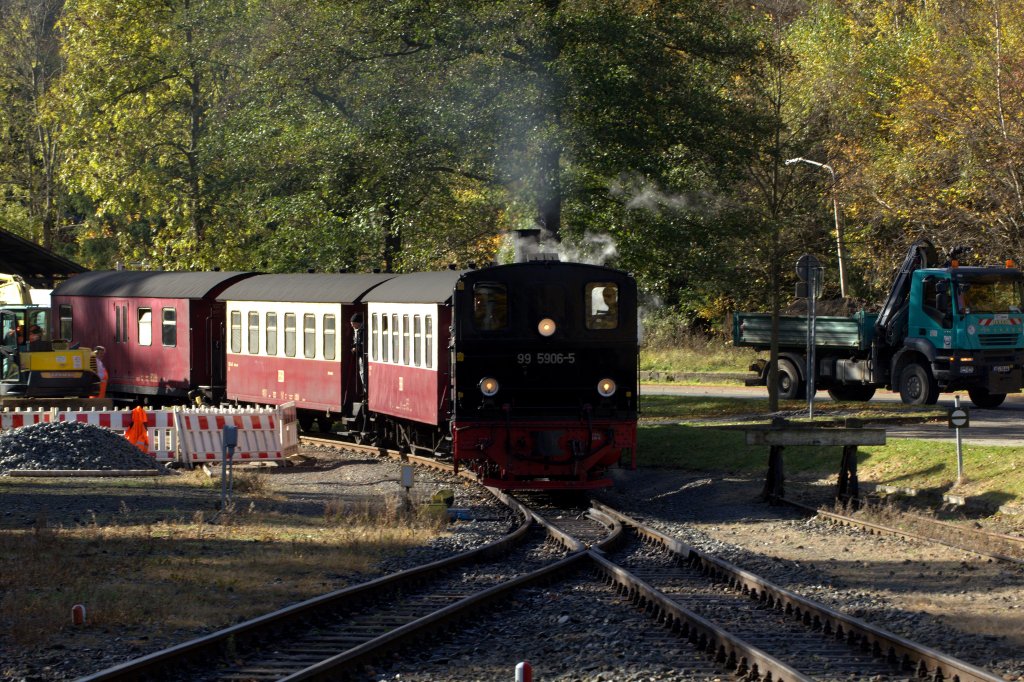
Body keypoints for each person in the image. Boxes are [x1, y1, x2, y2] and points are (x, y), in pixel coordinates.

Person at [350, 313, 366, 397]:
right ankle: (364, 389)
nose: (352, 326)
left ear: (357, 323)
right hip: (360, 356)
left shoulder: (363, 331)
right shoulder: (357, 331)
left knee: (363, 372)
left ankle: (365, 390)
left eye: (353, 324)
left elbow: (363, 343)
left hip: (363, 356)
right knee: (361, 372)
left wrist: (357, 348)